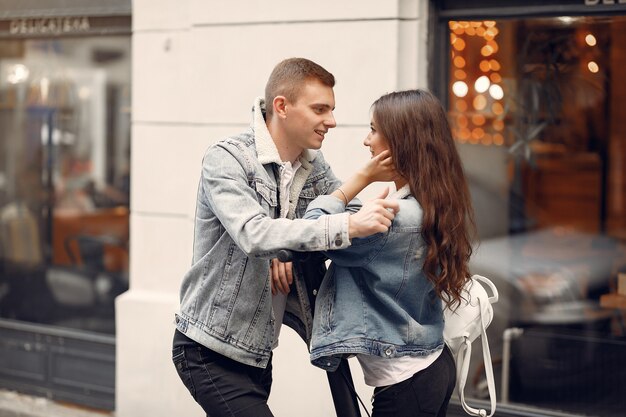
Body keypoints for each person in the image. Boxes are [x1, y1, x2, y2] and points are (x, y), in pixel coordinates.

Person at [171, 57, 400, 417]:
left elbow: (347, 210)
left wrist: (288, 251)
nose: (332, 121)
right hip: (208, 349)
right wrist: (340, 226)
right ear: (282, 106)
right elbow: (255, 234)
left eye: (332, 109)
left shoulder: (312, 164)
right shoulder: (227, 159)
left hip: (258, 353)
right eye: (320, 109)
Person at [301, 89, 476, 417]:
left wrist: (361, 177)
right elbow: (351, 217)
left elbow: (314, 230)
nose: (367, 141)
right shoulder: (425, 205)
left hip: (407, 382)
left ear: (399, 142)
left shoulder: (396, 218)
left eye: (373, 130)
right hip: (429, 366)